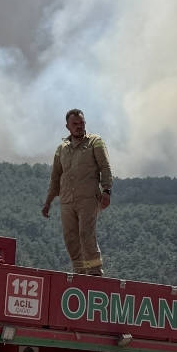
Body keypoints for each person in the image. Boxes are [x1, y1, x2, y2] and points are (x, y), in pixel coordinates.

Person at [41, 108, 113, 276]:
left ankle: (95, 272)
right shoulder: (62, 149)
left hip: (88, 199)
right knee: (70, 238)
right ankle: (80, 272)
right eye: (75, 124)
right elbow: (55, 177)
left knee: (86, 234)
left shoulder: (95, 142)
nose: (79, 126)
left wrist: (107, 190)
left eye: (82, 123)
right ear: (67, 126)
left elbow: (105, 167)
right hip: (67, 201)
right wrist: (48, 201)